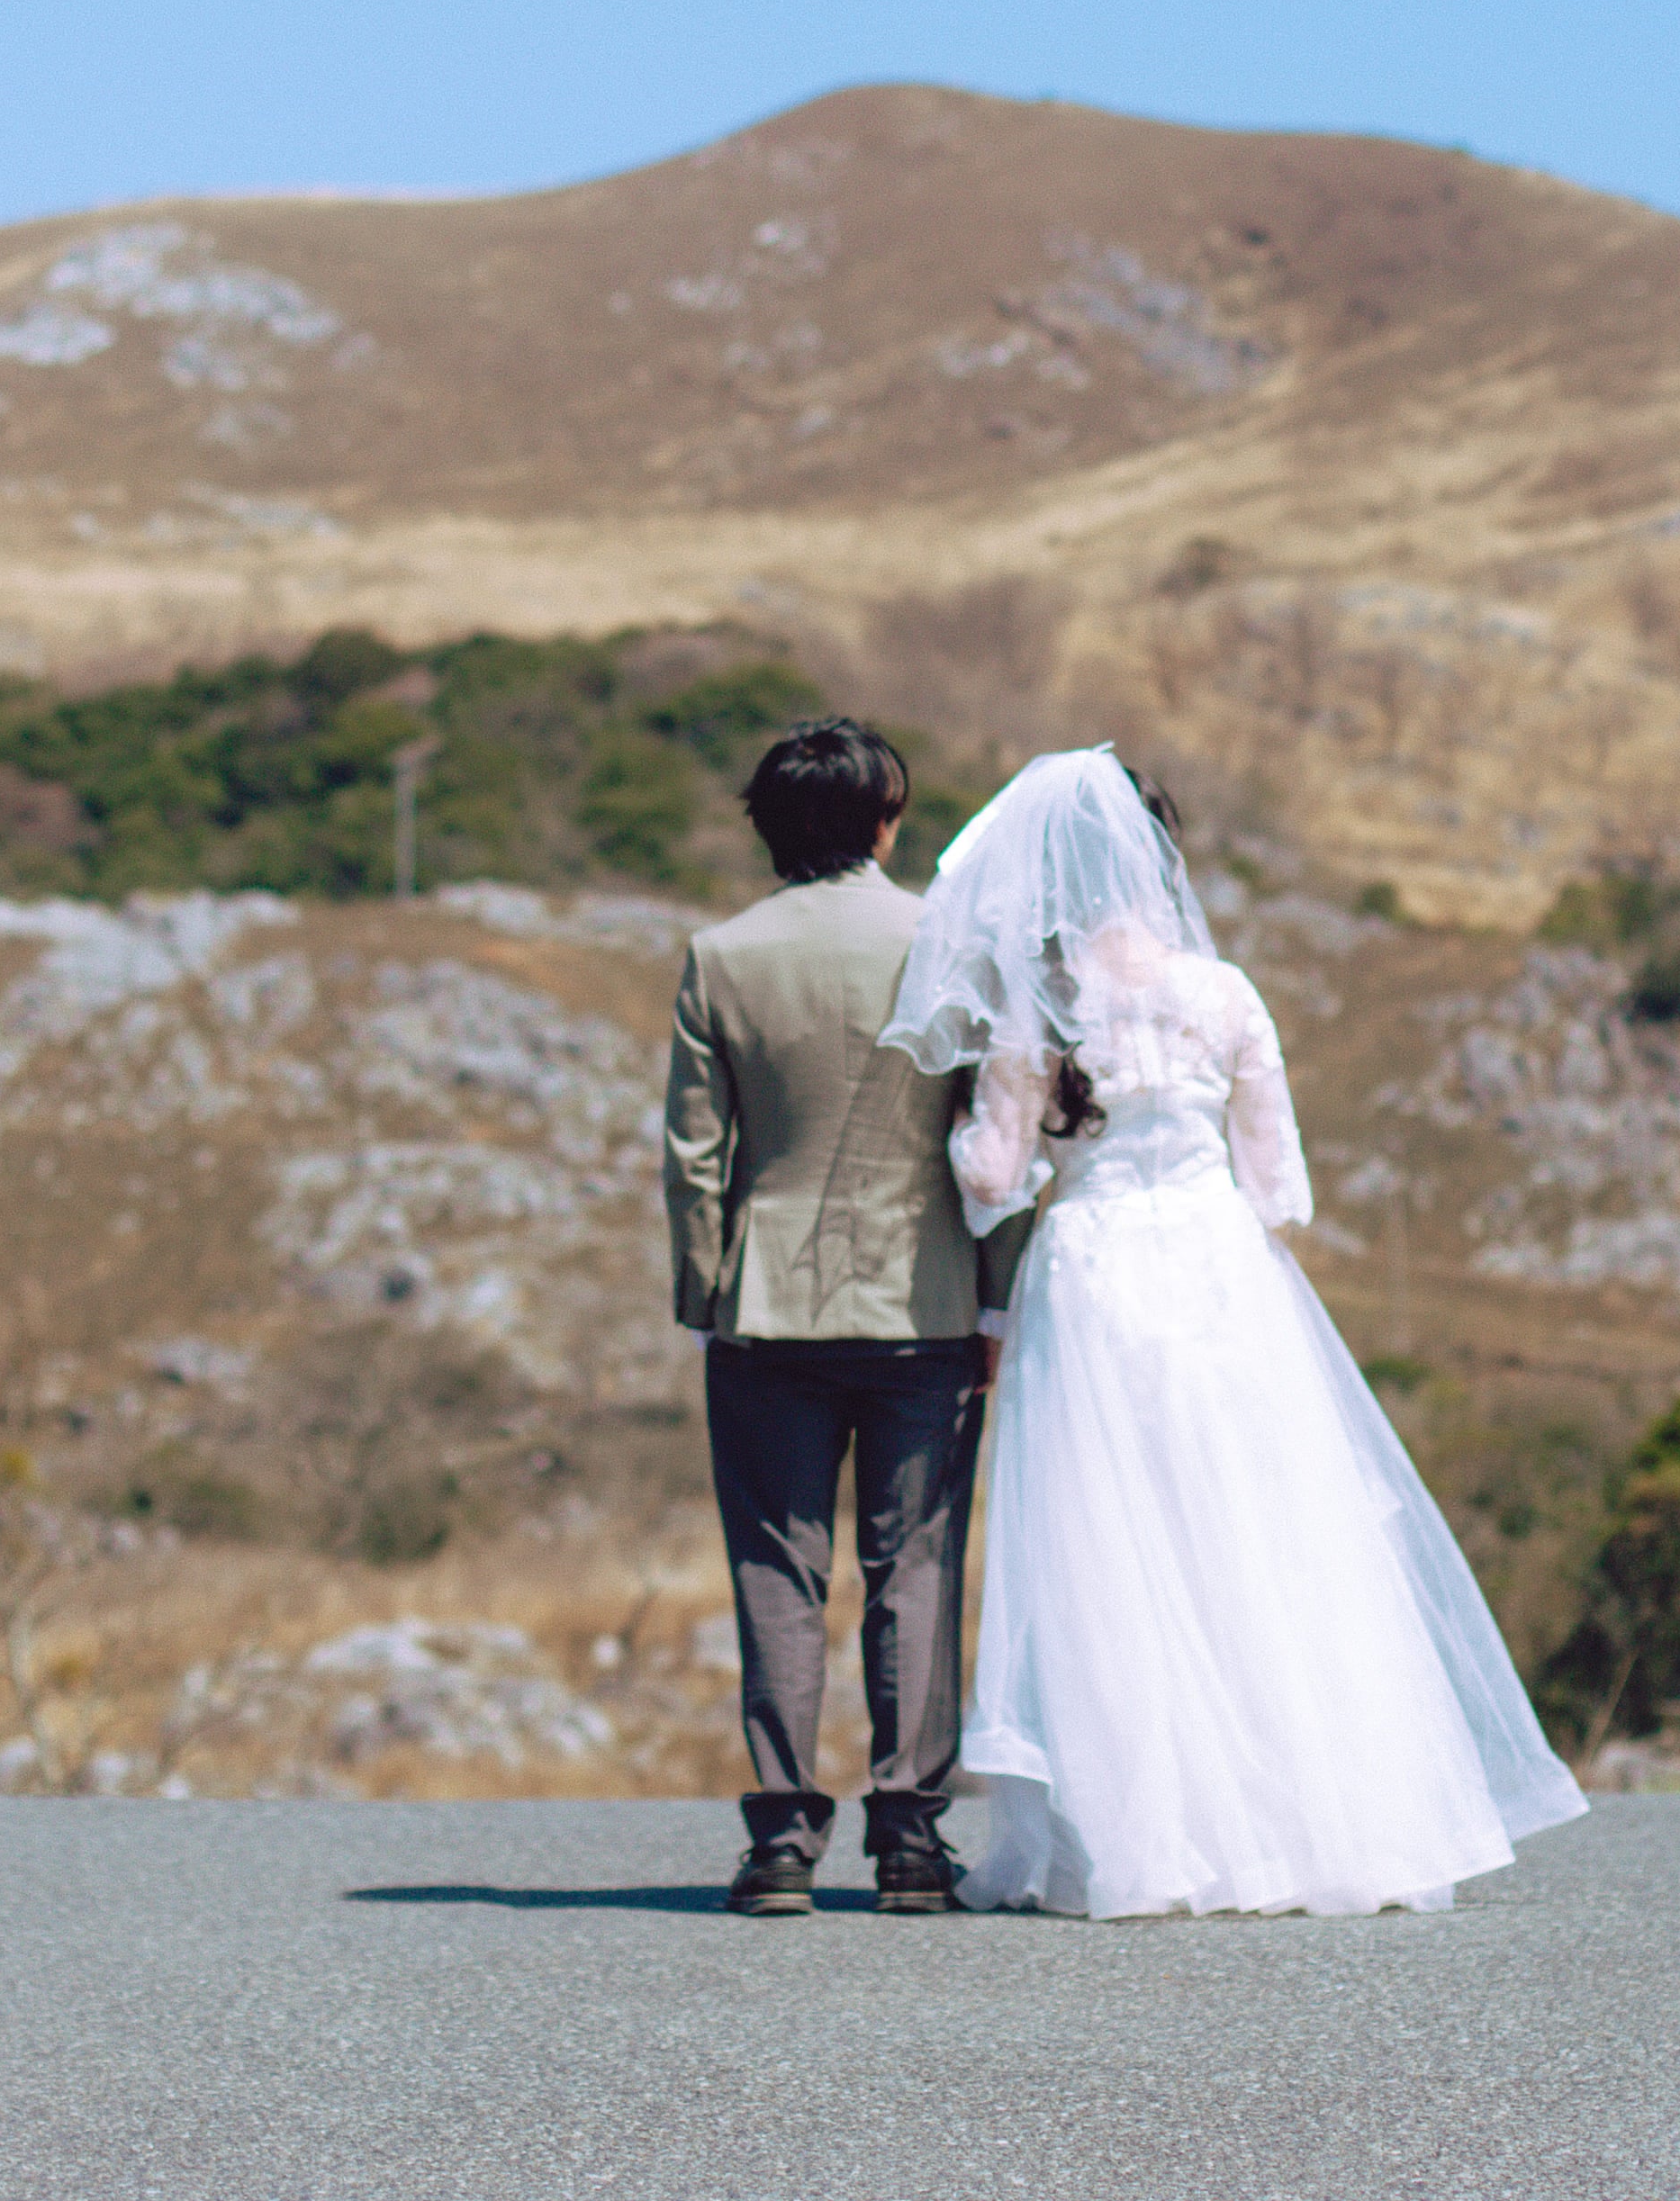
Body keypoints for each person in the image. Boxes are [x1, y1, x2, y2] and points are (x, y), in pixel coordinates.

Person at [886, 748, 1586, 1917]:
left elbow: (994, 1180)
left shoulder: (1037, 1010)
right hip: (1216, 1272)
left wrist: (964, 1129)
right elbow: (1278, 1188)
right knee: (1256, 1530)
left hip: (1097, 1276)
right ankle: (1300, 1823)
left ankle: (1144, 1837)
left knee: (1109, 1549)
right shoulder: (1225, 994)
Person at [659, 714, 1012, 1917]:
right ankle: (911, 1839)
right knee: (913, 1562)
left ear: (769, 829)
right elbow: (992, 1142)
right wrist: (1000, 1288)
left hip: (767, 1306)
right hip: (926, 1299)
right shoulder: (950, 945)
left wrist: (703, 1294)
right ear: (883, 819)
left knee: (777, 1568)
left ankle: (781, 1844)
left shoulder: (721, 956)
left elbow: (694, 1155)